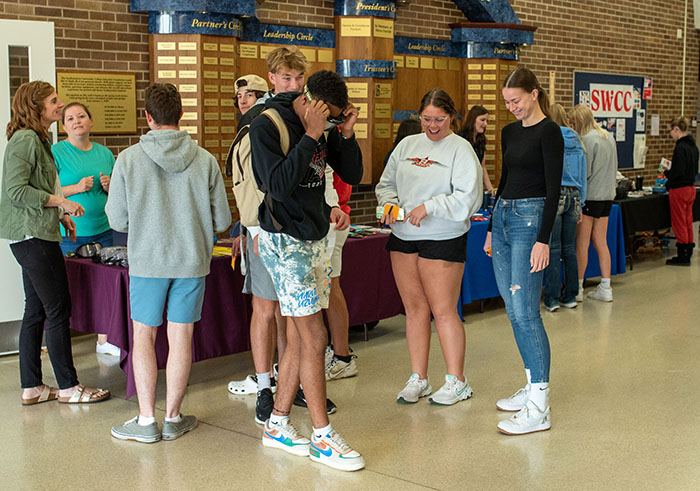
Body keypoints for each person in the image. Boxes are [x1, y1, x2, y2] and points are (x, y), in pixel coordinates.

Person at [250, 70, 364, 471]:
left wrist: (344, 133)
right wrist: (313, 135)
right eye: (329, 116)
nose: (330, 123)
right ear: (310, 100)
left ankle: (278, 423)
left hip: (316, 239)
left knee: (301, 339)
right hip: (285, 243)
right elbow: (276, 186)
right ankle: (322, 435)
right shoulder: (267, 124)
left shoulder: (325, 123)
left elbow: (352, 174)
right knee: (315, 336)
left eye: (336, 118)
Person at [107, 83, 231, 443]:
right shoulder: (205, 159)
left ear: (148, 117)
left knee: (143, 337)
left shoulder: (127, 159)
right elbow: (222, 219)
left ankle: (146, 421)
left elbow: (116, 220)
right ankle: (174, 417)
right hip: (191, 260)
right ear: (181, 115)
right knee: (182, 338)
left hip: (147, 262)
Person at [0, 81, 111, 406]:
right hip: (32, 237)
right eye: (53, 101)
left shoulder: (37, 139)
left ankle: (32, 386)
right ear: (37, 107)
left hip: (37, 233)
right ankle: (68, 387)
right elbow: (16, 191)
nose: (59, 105)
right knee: (58, 308)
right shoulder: (24, 140)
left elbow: (36, 188)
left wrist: (59, 215)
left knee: (35, 310)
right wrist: (61, 204)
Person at [376, 88, 482, 407]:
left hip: (444, 237)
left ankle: (456, 380)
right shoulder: (407, 145)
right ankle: (419, 378)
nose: (432, 126)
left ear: (452, 117)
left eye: (439, 119)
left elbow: (468, 197)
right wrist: (389, 204)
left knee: (443, 310)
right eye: (426, 119)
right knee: (415, 309)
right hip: (404, 235)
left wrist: (430, 207)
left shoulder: (461, 150)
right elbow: (386, 184)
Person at [483, 67, 563, 435]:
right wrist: (489, 228)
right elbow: (504, 180)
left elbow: (553, 189)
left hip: (531, 220)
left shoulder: (550, 133)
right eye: (506, 102)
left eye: (515, 100)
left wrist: (543, 239)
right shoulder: (509, 132)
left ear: (533, 94)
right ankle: (532, 384)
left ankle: (540, 405)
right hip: (502, 217)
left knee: (527, 312)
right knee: (514, 311)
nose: (511, 107)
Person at [52, 102, 120, 356]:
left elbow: (118, 192)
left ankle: (104, 339)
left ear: (91, 121)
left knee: (105, 287)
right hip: (70, 233)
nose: (77, 121)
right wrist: (77, 188)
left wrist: (109, 185)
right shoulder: (56, 152)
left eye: (81, 116)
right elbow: (49, 192)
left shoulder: (104, 153)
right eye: (70, 118)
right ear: (64, 126)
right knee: (66, 288)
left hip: (104, 229)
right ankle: (58, 340)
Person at [568, 104, 617, 301]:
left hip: (591, 198)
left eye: (573, 123)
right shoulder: (608, 137)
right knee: (601, 242)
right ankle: (606, 287)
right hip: (607, 197)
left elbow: (584, 173)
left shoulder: (586, 140)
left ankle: (578, 288)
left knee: (582, 243)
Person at [543, 103, 587, 311]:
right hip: (575, 197)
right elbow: (583, 176)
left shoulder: (550, 137)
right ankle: (570, 296)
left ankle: (551, 299)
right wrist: (582, 204)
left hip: (556, 195)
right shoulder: (577, 140)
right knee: (569, 249)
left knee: (553, 249)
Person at [323, 169, 357, 381]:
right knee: (328, 287)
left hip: (331, 221)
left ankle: (342, 357)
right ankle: (338, 352)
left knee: (329, 287)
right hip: (332, 219)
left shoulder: (329, 139)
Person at [664, 116, 699, 265]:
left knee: (679, 222)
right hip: (691, 188)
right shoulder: (693, 147)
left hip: (679, 189)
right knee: (687, 220)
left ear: (677, 129)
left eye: (671, 131)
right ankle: (688, 249)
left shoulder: (680, 148)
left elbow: (678, 171)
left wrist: (667, 175)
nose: (670, 134)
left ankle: (682, 254)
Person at [459, 105, 496, 194]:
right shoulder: (460, 138)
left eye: (487, 120)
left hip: (475, 188)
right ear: (473, 120)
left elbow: (482, 167)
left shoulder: (481, 140)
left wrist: (491, 190)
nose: (485, 124)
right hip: (461, 187)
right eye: (482, 120)